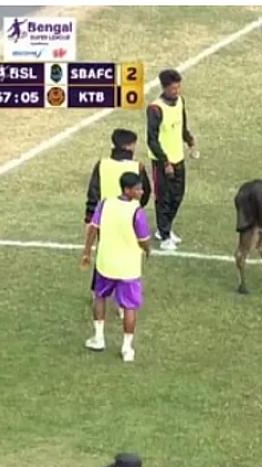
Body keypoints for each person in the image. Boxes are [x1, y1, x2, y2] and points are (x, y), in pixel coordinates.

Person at [81, 172, 151, 362]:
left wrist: (87, 251)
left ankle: (98, 337)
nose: (141, 191)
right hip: (128, 267)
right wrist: (148, 251)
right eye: (138, 189)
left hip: (105, 262)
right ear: (127, 190)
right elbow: (144, 240)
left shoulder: (105, 204)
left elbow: (93, 228)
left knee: (100, 297)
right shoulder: (137, 212)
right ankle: (127, 348)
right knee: (129, 306)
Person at [84, 129, 152, 317]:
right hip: (129, 218)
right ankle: (124, 303)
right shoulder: (137, 166)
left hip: (104, 216)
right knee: (129, 257)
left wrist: (89, 217)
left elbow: (93, 192)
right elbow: (146, 192)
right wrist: (137, 206)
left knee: (104, 254)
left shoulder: (102, 165)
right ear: (130, 146)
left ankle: (97, 291)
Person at [146, 68, 199, 251]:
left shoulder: (180, 102)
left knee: (178, 195)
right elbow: (151, 139)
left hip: (178, 158)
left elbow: (182, 126)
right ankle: (165, 235)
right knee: (164, 199)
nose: (176, 91)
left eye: (178, 87)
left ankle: (165, 228)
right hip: (162, 162)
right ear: (164, 88)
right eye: (173, 88)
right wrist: (165, 162)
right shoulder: (155, 109)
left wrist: (190, 140)